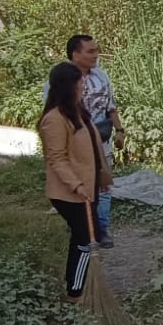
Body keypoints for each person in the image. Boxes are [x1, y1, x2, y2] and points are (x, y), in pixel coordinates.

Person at [39, 61, 111, 300]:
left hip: (87, 187)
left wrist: (102, 176)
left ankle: (79, 284)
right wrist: (77, 185)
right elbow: (56, 159)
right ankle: (76, 291)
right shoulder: (54, 119)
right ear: (67, 86)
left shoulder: (78, 111)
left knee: (88, 236)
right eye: (79, 81)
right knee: (84, 240)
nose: (84, 84)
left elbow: (94, 145)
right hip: (69, 193)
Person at [65, 34, 127, 248]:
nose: (95, 55)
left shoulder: (101, 76)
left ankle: (101, 229)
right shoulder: (63, 79)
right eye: (90, 51)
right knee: (78, 185)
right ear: (75, 54)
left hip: (102, 139)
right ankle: (81, 229)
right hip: (75, 143)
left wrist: (119, 130)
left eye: (96, 50)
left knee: (104, 184)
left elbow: (111, 106)